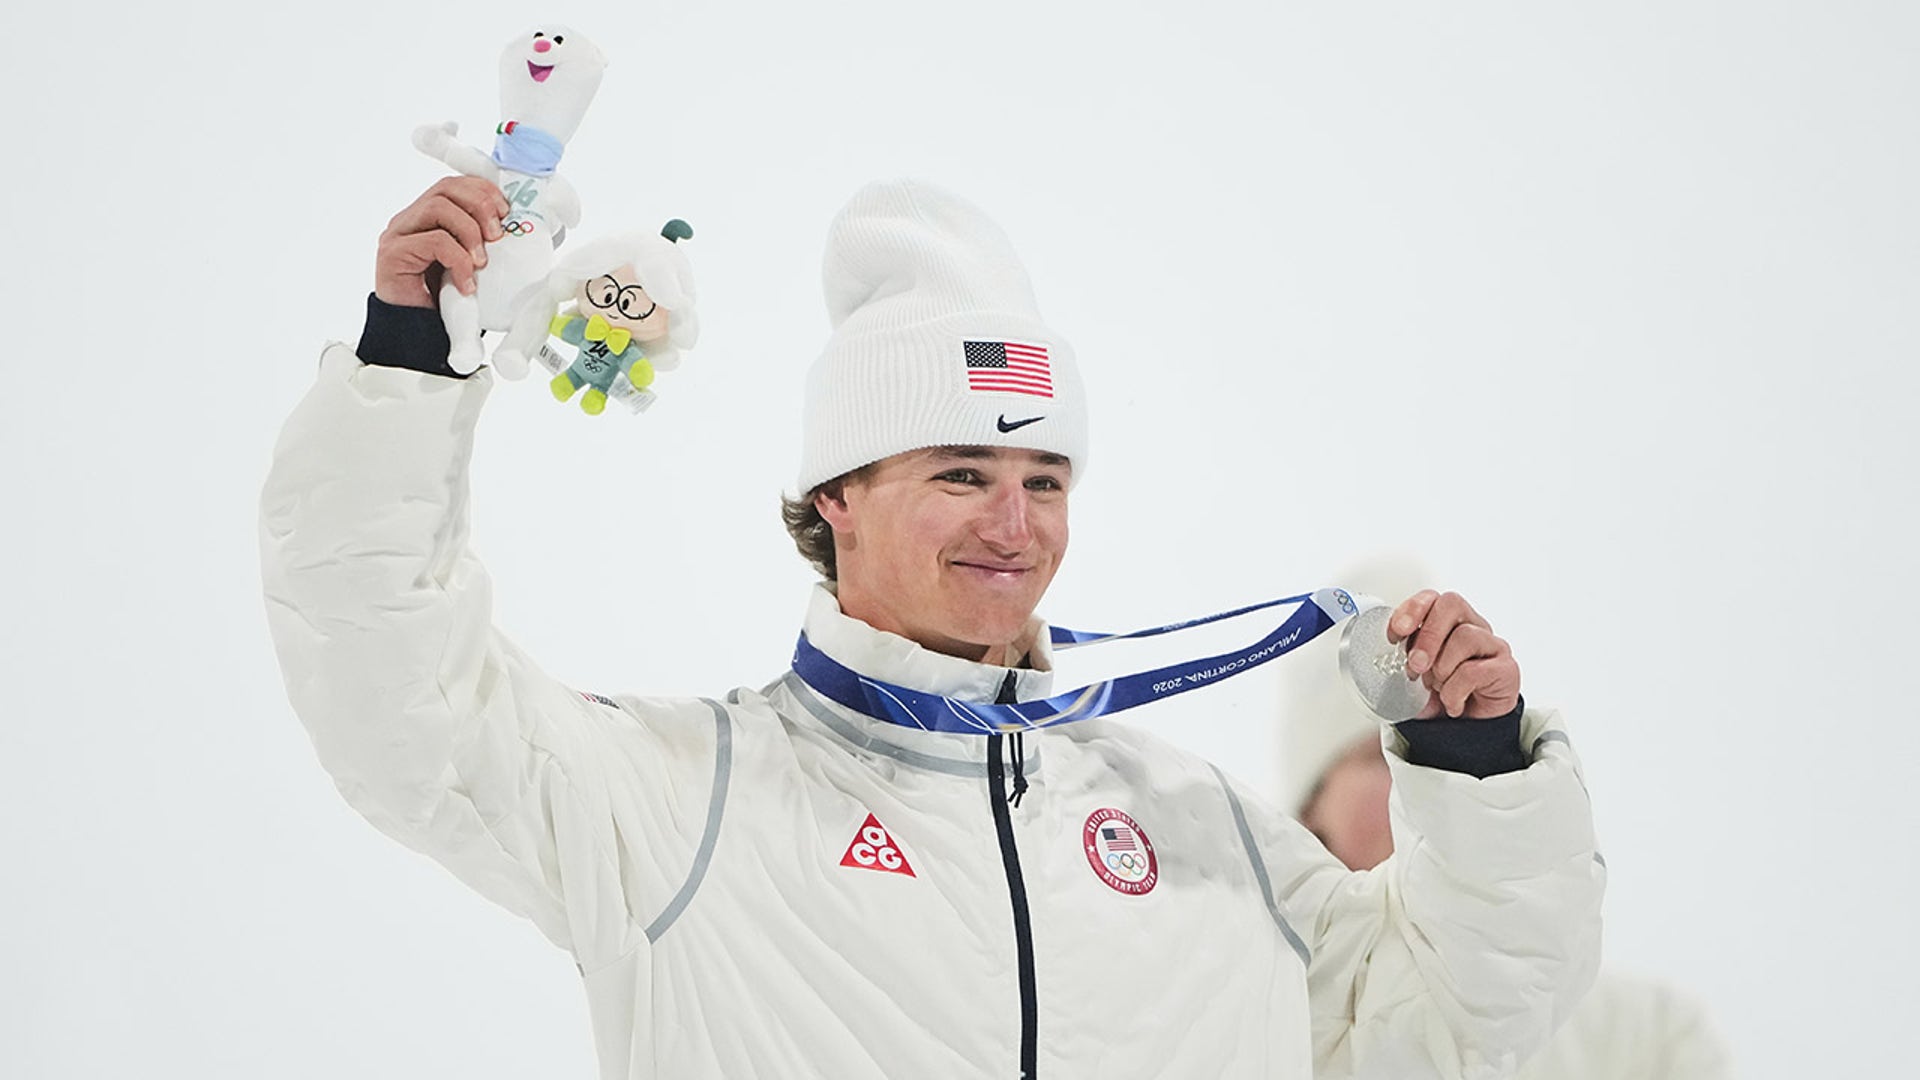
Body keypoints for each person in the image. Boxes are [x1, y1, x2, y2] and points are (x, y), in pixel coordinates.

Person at [261, 175, 1606, 1079]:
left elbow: (1459, 1019)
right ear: (836, 500)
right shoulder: (683, 803)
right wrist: (408, 362)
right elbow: (401, 698)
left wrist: (1475, 769)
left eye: (1045, 482)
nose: (1014, 528)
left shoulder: (1203, 833)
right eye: (962, 474)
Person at [1280, 554, 1732, 1080]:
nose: (1414, 787)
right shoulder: (1270, 1016)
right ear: (1312, 807)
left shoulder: (1645, 1039)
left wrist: (1477, 754)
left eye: (1431, 757)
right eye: (1381, 758)